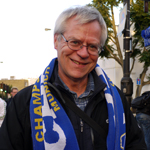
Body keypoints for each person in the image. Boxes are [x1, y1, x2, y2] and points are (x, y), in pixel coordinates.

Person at [0, 6, 146, 150]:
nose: (83, 53)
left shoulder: (117, 100)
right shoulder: (23, 103)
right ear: (56, 41)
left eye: (92, 46)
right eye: (75, 42)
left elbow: (135, 144)